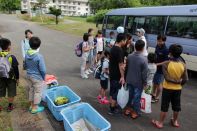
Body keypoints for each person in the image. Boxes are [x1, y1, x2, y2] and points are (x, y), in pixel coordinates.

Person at [152, 44, 188, 129]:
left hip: (167, 88)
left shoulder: (167, 63)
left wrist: (175, 82)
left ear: (170, 53)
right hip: (178, 89)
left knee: (164, 107)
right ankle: (175, 121)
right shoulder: (183, 64)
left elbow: (167, 78)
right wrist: (179, 83)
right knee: (176, 106)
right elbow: (185, 79)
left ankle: (160, 123)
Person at [125, 40, 148, 119]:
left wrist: (125, 78)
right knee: (137, 97)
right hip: (138, 82)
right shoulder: (144, 59)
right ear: (143, 48)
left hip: (129, 79)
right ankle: (135, 112)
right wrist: (145, 83)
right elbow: (144, 74)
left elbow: (126, 68)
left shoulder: (129, 56)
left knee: (130, 95)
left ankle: (128, 109)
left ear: (135, 47)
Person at [25, 36, 46, 114]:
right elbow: (43, 69)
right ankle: (35, 108)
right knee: (37, 92)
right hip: (37, 77)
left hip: (29, 76)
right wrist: (44, 77)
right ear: (39, 46)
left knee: (31, 89)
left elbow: (25, 65)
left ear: (29, 44)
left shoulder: (27, 54)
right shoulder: (39, 56)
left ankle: (31, 105)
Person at [109, 33, 126, 115]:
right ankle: (112, 109)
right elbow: (120, 65)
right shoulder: (119, 50)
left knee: (112, 91)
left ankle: (112, 106)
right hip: (116, 75)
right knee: (116, 92)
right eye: (125, 40)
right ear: (122, 40)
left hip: (112, 73)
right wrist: (122, 76)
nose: (125, 42)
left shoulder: (113, 48)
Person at [0, 38, 19, 112]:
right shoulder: (12, 57)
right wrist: (17, 79)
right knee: (11, 92)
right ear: (8, 47)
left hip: (1, 77)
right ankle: (10, 106)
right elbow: (16, 69)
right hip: (11, 78)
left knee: (0, 91)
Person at [152, 35, 169, 103]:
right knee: (154, 82)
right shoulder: (157, 46)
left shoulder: (166, 50)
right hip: (155, 67)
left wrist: (158, 64)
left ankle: (157, 97)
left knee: (159, 83)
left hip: (161, 69)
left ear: (164, 41)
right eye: (158, 41)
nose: (159, 42)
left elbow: (167, 61)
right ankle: (153, 94)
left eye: (160, 41)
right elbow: (155, 55)